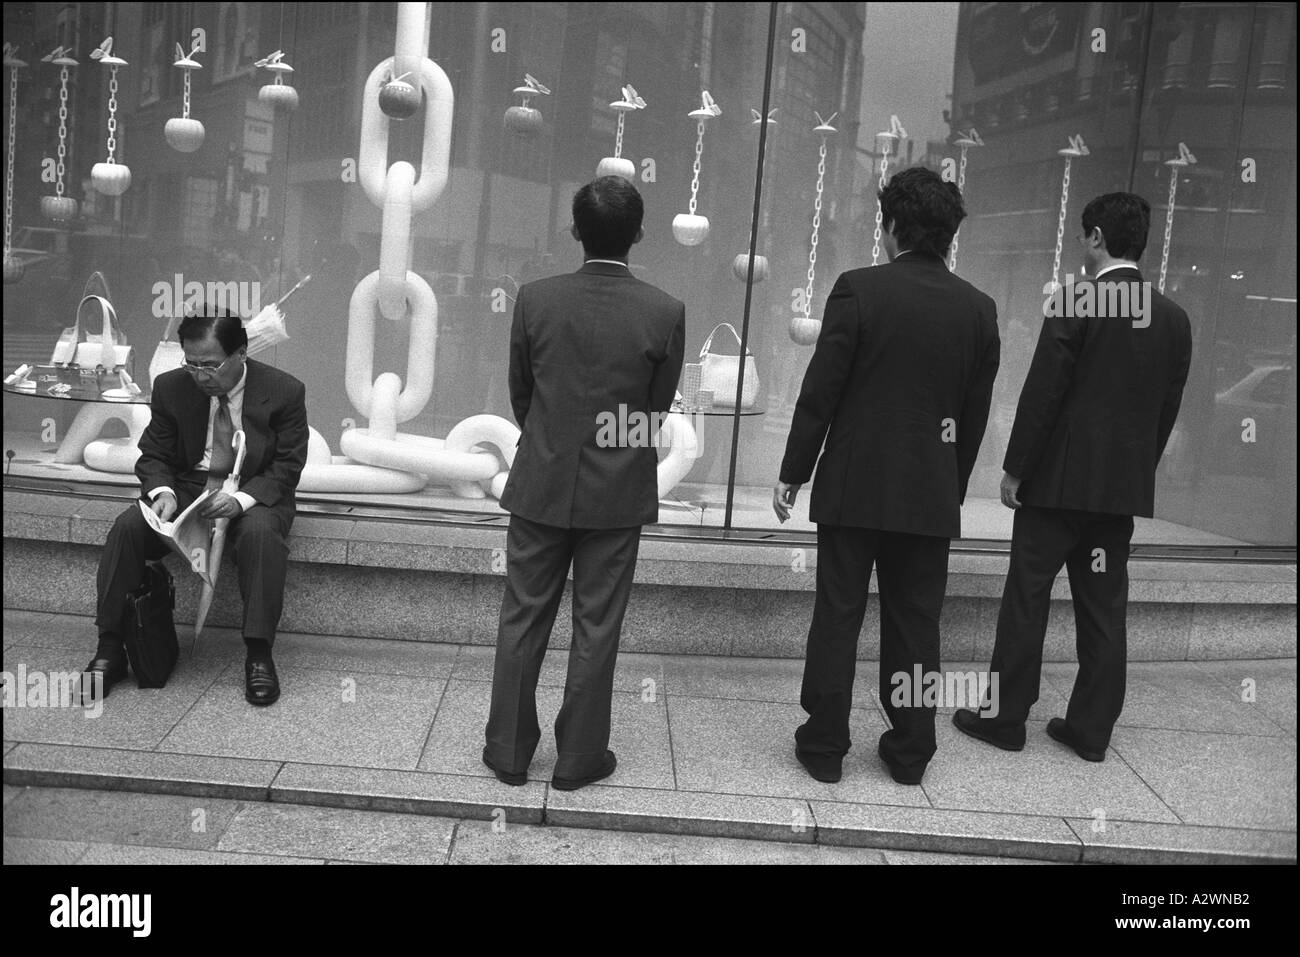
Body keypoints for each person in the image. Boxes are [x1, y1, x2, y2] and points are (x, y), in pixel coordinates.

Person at [775, 166, 1001, 786]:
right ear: (949, 235)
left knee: (838, 615)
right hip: (928, 492)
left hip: (853, 485)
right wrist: (946, 489)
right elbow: (973, 420)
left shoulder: (857, 290)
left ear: (893, 225)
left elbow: (821, 392)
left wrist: (793, 472)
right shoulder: (979, 311)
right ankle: (909, 752)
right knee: (915, 622)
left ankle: (823, 748)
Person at [954, 192, 1193, 761]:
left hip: (1057, 489)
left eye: (1083, 237)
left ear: (1095, 238)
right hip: (1115, 500)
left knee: (1028, 597)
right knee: (1104, 609)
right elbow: (1166, 411)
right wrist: (1134, 474)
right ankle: (1091, 731)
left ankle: (1006, 717)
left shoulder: (1079, 300)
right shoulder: (1175, 319)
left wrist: (1015, 470)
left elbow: (1044, 392)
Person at [484, 176, 685, 790]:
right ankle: (578, 761)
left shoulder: (536, 299)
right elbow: (655, 408)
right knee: (598, 625)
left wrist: (551, 439)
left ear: (575, 230)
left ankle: (509, 753)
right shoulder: (665, 310)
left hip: (542, 478)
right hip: (617, 490)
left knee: (522, 616)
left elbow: (523, 392)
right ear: (640, 234)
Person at [82, 307, 309, 706]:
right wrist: (163, 493)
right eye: (192, 364)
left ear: (241, 354)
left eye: (210, 365)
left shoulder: (285, 390)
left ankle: (258, 655)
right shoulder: (173, 386)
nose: (201, 375)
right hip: (189, 486)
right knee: (128, 527)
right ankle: (110, 649)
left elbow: (288, 465)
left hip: (251, 489)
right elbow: (153, 453)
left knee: (260, 535)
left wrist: (239, 501)